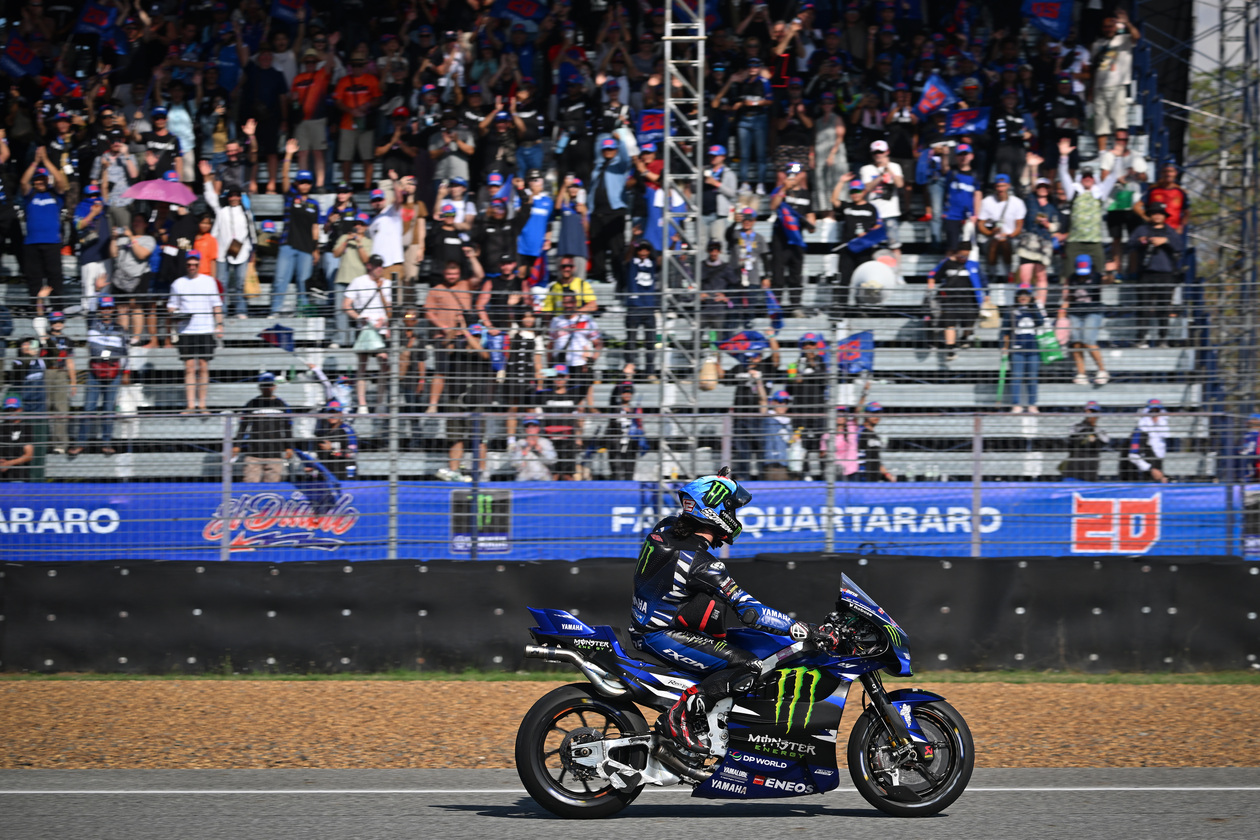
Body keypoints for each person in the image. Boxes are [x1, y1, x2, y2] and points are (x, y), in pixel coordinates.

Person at [631, 470, 838, 752]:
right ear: (714, 511)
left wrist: (717, 484)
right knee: (749, 665)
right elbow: (752, 612)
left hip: (651, 622)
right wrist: (805, 629)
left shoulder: (665, 529)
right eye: (731, 509)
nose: (734, 517)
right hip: (660, 633)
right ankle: (679, 718)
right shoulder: (701, 564)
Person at [71, 297, 129, 458]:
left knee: (108, 409)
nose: (106, 311)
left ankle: (107, 443)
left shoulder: (120, 328)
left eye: (109, 308)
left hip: (114, 373)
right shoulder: (92, 323)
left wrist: (126, 371)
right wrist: (97, 290)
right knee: (88, 408)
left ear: (113, 309)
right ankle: (80, 443)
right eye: (103, 308)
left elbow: (125, 351)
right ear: (99, 309)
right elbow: (95, 350)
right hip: (94, 372)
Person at [167, 251, 224, 414]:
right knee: (190, 368)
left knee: (204, 367)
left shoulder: (209, 281)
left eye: (195, 264)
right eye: (189, 265)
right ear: (185, 265)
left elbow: (216, 305)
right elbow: (171, 306)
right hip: (186, 331)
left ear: (199, 264)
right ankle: (191, 405)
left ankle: (202, 404)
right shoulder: (178, 283)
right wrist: (177, 314)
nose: (192, 267)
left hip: (205, 329)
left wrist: (220, 324)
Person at [1127, 203, 1186, 348]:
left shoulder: (1169, 231)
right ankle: (1142, 338)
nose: (1157, 216)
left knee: (1164, 308)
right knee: (1143, 307)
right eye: (1154, 213)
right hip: (1145, 273)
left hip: (1166, 274)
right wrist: (1141, 241)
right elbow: (1130, 244)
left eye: (1160, 213)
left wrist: (1165, 241)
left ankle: (1163, 339)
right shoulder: (1142, 229)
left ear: (1164, 216)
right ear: (1150, 215)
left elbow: (1180, 247)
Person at [21, 151, 70, 315]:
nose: (40, 182)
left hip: (52, 242)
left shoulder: (56, 195)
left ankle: (57, 310)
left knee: (55, 277)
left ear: (47, 180)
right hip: (32, 243)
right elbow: (23, 182)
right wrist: (35, 163)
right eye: (38, 179)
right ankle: (37, 311)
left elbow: (60, 180)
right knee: (34, 278)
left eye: (43, 179)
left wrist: (46, 161)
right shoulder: (30, 195)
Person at [343, 256, 394, 414]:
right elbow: (346, 305)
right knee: (362, 366)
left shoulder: (387, 283)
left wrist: (385, 320)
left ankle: (380, 402)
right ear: (369, 266)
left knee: (384, 364)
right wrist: (359, 318)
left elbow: (391, 309)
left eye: (381, 266)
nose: (379, 269)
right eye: (376, 265)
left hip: (381, 329)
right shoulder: (358, 281)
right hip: (365, 328)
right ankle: (362, 404)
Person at [830, 176, 882, 316]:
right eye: (852, 191)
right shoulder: (847, 206)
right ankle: (841, 308)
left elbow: (878, 226)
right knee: (844, 280)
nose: (855, 194)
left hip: (864, 249)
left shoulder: (871, 208)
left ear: (863, 191)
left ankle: (861, 308)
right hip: (847, 249)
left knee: (863, 281)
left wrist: (867, 234)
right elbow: (834, 200)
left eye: (858, 191)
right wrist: (841, 182)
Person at [1090, 9, 1141, 152]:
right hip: (1099, 87)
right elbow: (1094, 69)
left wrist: (1127, 23)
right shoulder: (1097, 44)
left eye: (1110, 26)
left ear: (1115, 27)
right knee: (1101, 123)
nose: (1108, 29)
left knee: (1120, 122)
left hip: (1117, 86)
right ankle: (1102, 154)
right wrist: (1091, 89)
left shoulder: (1124, 40)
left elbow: (1137, 36)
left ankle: (1121, 153)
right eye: (1105, 27)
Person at [1058, 254, 1112, 387]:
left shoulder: (1096, 276)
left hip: (1093, 312)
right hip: (1075, 312)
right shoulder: (1072, 278)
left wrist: (1110, 271)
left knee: (1088, 340)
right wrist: (1062, 310)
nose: (1083, 275)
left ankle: (1102, 371)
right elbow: (1069, 297)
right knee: (1076, 343)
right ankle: (1081, 374)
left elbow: (1108, 280)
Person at [769, 162, 815, 315]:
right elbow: (773, 206)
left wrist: (811, 225)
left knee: (796, 274)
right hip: (780, 239)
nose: (792, 176)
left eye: (796, 174)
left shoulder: (806, 194)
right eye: (790, 173)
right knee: (778, 275)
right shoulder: (779, 190)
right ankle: (775, 307)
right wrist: (784, 189)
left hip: (796, 239)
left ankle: (795, 306)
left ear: (801, 175)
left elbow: (810, 214)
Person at [927, 246, 988, 362]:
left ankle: (965, 337)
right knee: (949, 324)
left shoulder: (973, 265)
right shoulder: (947, 263)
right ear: (956, 253)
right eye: (962, 255)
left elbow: (983, 279)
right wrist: (931, 282)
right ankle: (950, 350)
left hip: (970, 300)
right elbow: (934, 274)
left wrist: (987, 293)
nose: (964, 257)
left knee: (969, 324)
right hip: (950, 300)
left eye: (966, 255)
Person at [233, 372, 294, 483]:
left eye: (269, 385)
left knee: (272, 487)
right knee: (250, 484)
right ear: (259, 387)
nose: (267, 388)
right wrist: (237, 445)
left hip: (275, 453)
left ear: (274, 386)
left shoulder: (281, 404)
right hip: (254, 453)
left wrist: (289, 447)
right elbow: (243, 426)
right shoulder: (252, 404)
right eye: (264, 385)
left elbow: (288, 427)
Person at [1001, 288, 1048, 414]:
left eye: (1026, 295)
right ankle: (1016, 404)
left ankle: (1032, 404)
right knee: (1016, 377)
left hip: (1033, 349)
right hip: (1016, 349)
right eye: (1020, 295)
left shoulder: (1034, 310)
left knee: (1032, 377)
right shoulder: (1011, 311)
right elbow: (1004, 330)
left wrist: (1034, 305)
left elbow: (1041, 322)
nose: (1023, 297)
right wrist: (1004, 346)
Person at [858, 140, 905, 266]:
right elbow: (866, 188)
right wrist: (880, 176)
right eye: (876, 152)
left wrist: (888, 169)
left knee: (894, 245)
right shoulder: (866, 169)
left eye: (881, 152)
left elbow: (900, 184)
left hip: (890, 213)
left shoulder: (895, 166)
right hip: (873, 214)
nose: (878, 155)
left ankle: (897, 272)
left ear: (887, 152)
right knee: (873, 246)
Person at [40, 313, 77, 454]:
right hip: (45, 373)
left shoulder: (67, 341)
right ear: (50, 323)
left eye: (60, 321)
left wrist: (73, 381)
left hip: (61, 373)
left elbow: (70, 362)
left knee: (61, 410)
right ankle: (41, 443)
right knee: (44, 409)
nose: (57, 324)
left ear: (64, 323)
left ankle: (60, 444)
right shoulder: (42, 337)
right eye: (54, 321)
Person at [978, 175, 1026, 281]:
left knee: (1004, 242)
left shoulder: (1017, 202)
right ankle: (992, 274)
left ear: (1008, 186)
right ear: (995, 187)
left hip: (1011, 237)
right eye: (998, 186)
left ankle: (1008, 273)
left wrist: (1009, 235)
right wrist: (990, 232)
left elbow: (1019, 226)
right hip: (991, 237)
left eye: (1003, 186)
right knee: (995, 242)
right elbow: (980, 224)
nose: (1001, 189)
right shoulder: (987, 201)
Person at [623, 240, 659, 380]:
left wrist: (672, 245)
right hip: (634, 307)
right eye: (640, 249)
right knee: (631, 341)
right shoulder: (632, 263)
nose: (643, 252)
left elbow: (663, 259)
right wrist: (634, 241)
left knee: (651, 342)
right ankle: (629, 369)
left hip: (649, 308)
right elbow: (627, 258)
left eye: (646, 249)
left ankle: (650, 372)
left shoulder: (652, 264)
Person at [601, 380, 646, 480]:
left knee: (629, 473)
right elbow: (612, 397)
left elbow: (639, 427)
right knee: (617, 473)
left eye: (629, 392)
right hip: (616, 445)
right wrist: (624, 379)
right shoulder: (615, 408)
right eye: (624, 392)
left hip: (630, 446)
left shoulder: (635, 410)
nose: (627, 394)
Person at [1120, 399, 1170, 483]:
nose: (1155, 415)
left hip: (1154, 471)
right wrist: (1150, 469)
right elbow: (1133, 455)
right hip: (1140, 475)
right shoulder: (1140, 432)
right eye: (1152, 412)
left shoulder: (1161, 434)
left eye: (1157, 411)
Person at [1062, 401, 1111, 481]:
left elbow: (1105, 441)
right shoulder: (1076, 426)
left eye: (1093, 412)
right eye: (1088, 412)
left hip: (1090, 472)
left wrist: (1093, 430)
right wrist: (1088, 430)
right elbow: (1074, 440)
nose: (1090, 415)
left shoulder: (1100, 431)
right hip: (1073, 471)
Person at [852, 402, 896, 482]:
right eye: (874, 413)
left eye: (879, 413)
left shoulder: (875, 436)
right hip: (861, 478)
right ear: (866, 414)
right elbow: (856, 416)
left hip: (874, 479)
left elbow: (876, 458)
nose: (877, 416)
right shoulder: (859, 432)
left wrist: (887, 474)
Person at [315, 402, 359, 481]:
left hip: (345, 472)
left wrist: (331, 449)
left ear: (341, 414)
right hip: (330, 472)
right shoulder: (324, 432)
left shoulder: (347, 430)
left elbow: (351, 453)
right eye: (330, 413)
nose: (333, 415)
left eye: (335, 412)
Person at [0, 396, 35, 482]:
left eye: (13, 409)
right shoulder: (1, 427)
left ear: (20, 410)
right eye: (8, 410)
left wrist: (9, 463)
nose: (11, 413)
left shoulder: (25, 427)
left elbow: (29, 455)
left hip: (18, 476)